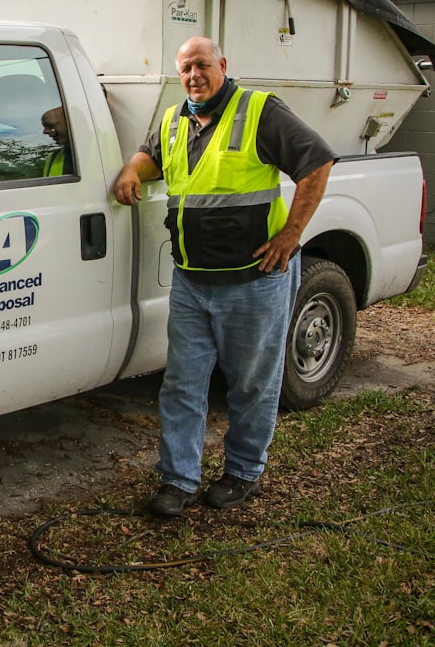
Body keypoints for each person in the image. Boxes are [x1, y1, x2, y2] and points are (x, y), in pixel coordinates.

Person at [113, 36, 335, 518]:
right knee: (182, 385)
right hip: (192, 283)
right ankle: (179, 480)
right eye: (185, 68)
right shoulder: (175, 121)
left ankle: (243, 472)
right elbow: (149, 155)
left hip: (254, 281)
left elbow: (317, 163)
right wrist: (132, 170)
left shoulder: (259, 111)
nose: (194, 74)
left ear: (222, 65)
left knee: (251, 384)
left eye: (202, 64)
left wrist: (291, 236)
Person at [41, 107, 74, 176]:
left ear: (71, 122)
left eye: (50, 125)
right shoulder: (52, 158)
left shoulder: (100, 150)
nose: (45, 131)